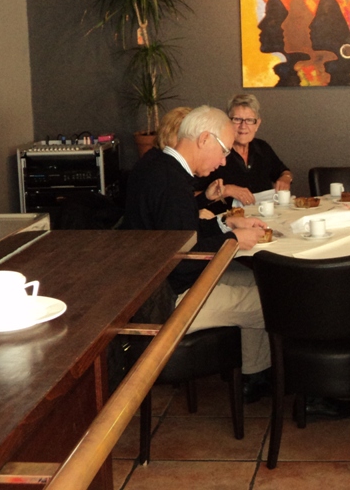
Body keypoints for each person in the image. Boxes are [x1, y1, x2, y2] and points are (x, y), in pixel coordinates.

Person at [123, 105, 272, 399]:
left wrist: (225, 223)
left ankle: (255, 375)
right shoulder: (171, 182)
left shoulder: (157, 165)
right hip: (166, 301)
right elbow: (183, 263)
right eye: (224, 151)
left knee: (256, 281)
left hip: (151, 286)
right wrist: (233, 240)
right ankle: (266, 378)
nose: (223, 161)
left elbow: (182, 233)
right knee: (269, 299)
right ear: (204, 139)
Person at [196, 94, 293, 208]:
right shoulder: (215, 151)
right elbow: (192, 197)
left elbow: (284, 171)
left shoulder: (262, 147)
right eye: (237, 119)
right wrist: (226, 190)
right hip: (225, 217)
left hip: (264, 216)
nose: (243, 126)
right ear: (227, 122)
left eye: (250, 120)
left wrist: (286, 178)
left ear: (257, 124)